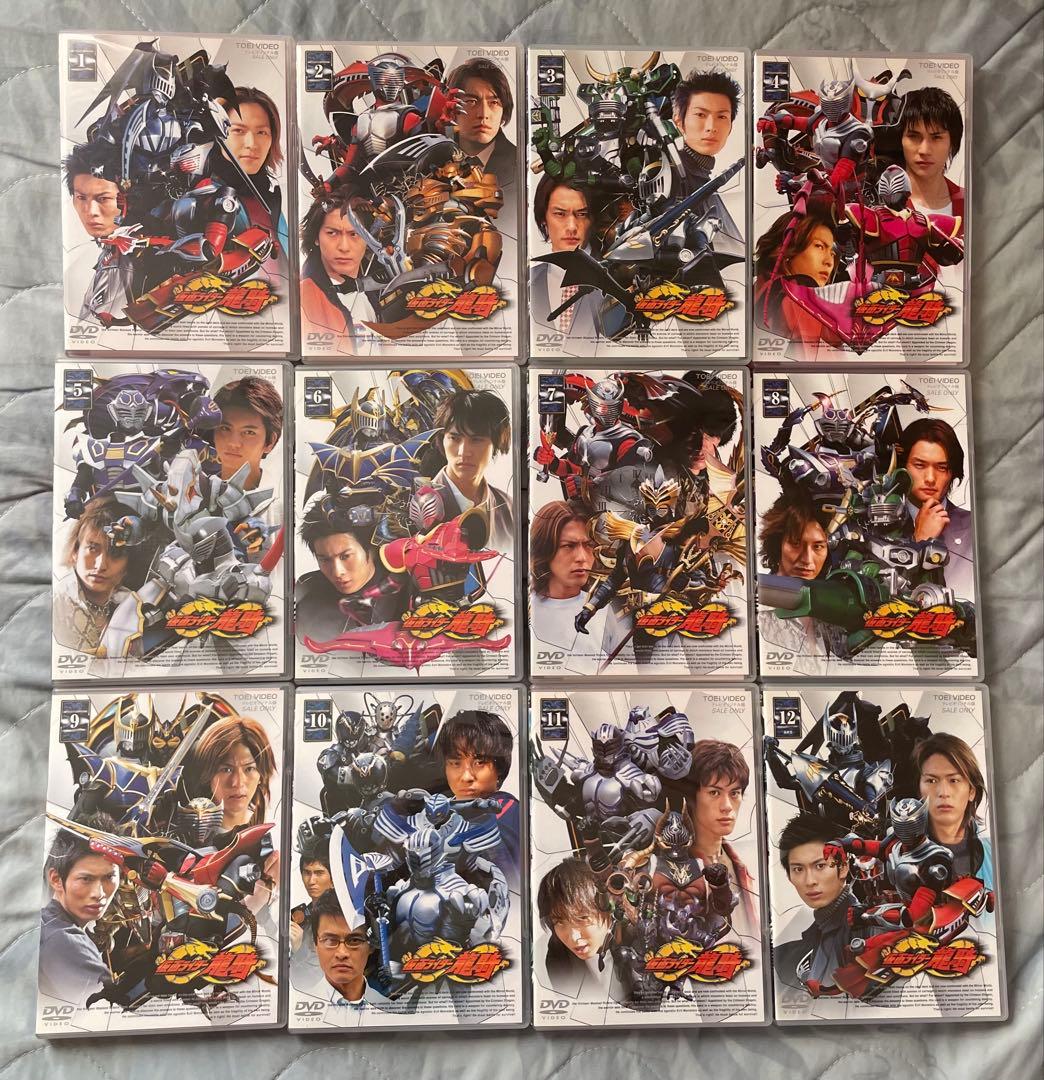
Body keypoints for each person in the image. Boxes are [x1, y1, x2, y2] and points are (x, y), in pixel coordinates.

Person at [529, 500, 631, 669]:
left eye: (589, 545)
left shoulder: (604, 611)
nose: (582, 557)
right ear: (544, 549)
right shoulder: (526, 609)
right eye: (569, 546)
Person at [296, 493, 405, 642]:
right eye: (325, 560)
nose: (337, 572)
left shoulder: (408, 592)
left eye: (345, 556)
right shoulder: (307, 596)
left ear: (371, 550)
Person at [39, 813, 120, 1005]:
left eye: (109, 877)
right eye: (86, 879)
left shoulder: (46, 924)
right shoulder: (66, 942)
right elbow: (111, 1011)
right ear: (56, 879)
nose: (99, 893)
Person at [53, 497, 150, 656]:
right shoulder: (56, 603)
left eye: (116, 553)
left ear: (128, 563)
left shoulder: (134, 605)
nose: (101, 565)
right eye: (92, 548)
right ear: (75, 551)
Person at [433, 708, 520, 883]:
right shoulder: (441, 812)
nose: (466, 776)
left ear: (499, 768)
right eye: (455, 763)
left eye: (480, 762)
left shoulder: (504, 810)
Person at [775, 812, 857, 997]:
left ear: (843, 866)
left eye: (820, 866)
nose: (809, 881)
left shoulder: (874, 929)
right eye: (798, 869)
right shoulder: (783, 957)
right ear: (789, 876)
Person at [686, 739, 758, 937]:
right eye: (714, 792)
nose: (727, 806)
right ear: (692, 796)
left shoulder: (739, 866)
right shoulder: (676, 868)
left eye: (734, 793)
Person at [757, 490, 835, 672]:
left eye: (818, 546)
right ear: (777, 544)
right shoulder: (757, 609)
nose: (807, 559)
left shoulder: (833, 609)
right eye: (795, 543)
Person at [896, 417, 973, 598]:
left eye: (941, 467)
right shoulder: (876, 526)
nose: (930, 478)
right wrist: (920, 542)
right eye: (919, 465)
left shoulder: (976, 529)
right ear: (902, 467)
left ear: (952, 473)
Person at [429, 388, 514, 549]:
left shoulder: (510, 509)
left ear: (496, 443)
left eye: (476, 440)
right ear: (442, 439)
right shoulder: (418, 505)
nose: (464, 452)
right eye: (454, 438)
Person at [62, 140, 134, 324]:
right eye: (81, 197)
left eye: (103, 198)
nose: (90, 211)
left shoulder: (132, 257)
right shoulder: (108, 254)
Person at [754, 205, 842, 350]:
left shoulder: (756, 292)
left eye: (832, 254)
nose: (829, 262)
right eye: (819, 246)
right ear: (787, 249)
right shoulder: (800, 296)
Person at [299, 190, 376, 353]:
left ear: (369, 239)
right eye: (332, 233)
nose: (344, 247)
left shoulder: (378, 291)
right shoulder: (301, 299)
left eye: (354, 234)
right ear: (316, 238)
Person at [913, 732, 992, 887]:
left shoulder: (996, 854)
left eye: (954, 780)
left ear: (972, 791)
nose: (943, 792)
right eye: (931, 780)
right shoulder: (896, 851)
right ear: (919, 790)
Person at [221, 86, 289, 264]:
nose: (252, 143)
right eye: (238, 130)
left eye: (261, 132)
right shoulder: (199, 194)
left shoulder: (269, 201)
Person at [530, 176, 601, 342]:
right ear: (543, 219)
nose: (571, 227)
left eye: (581, 214)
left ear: (592, 219)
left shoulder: (620, 278)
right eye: (560, 214)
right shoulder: (526, 282)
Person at [536, 858, 614, 999]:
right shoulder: (559, 957)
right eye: (559, 922)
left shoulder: (639, 938)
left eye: (583, 918)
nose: (573, 937)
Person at [305, 889, 388, 1012]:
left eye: (354, 940)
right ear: (314, 945)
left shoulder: (389, 1009)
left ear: (371, 945)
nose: (342, 953)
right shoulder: (298, 1003)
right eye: (329, 940)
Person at [446, 57, 515, 193]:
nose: (483, 114)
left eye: (494, 102)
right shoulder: (429, 158)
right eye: (471, 101)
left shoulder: (521, 163)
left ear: (504, 110)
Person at [900, 86, 965, 221]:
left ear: (952, 142)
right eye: (913, 136)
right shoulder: (877, 206)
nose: (924, 150)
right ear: (899, 140)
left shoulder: (971, 204)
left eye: (936, 137)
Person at [212, 376, 283, 489]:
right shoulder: (193, 492)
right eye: (225, 428)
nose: (233, 443)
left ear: (270, 442)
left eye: (249, 432)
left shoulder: (285, 496)